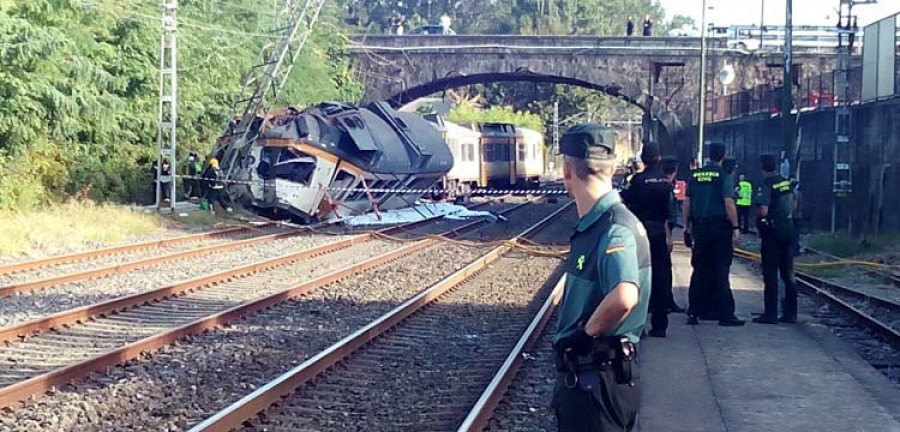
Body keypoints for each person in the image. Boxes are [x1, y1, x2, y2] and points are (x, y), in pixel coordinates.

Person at [552, 123, 650, 431]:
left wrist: (582, 338)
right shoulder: (602, 224)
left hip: (597, 380)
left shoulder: (613, 227)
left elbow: (624, 296)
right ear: (611, 169)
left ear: (568, 170)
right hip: (598, 378)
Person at [683, 142, 745, 327]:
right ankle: (725, 313)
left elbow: (687, 202)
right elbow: (728, 203)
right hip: (719, 228)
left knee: (699, 269)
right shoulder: (723, 176)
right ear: (723, 155)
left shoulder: (694, 176)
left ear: (709, 155)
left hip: (700, 228)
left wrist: (687, 226)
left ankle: (694, 311)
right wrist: (735, 227)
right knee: (721, 269)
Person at [621, 143, 674, 338]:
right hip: (660, 230)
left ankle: (638, 325)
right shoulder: (665, 182)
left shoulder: (637, 180)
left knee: (639, 276)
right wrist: (668, 234)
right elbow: (669, 212)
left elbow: (625, 201)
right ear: (658, 158)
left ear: (643, 159)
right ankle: (660, 326)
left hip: (639, 231)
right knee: (660, 276)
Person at [752, 155, 798, 324]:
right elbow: (794, 205)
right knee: (788, 272)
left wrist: (757, 217)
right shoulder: (786, 183)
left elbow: (763, 210)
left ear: (762, 167)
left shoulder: (767, 185)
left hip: (773, 231)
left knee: (770, 273)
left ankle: (770, 314)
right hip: (788, 227)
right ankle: (791, 313)